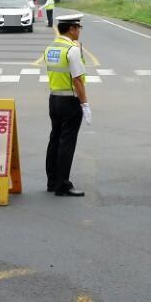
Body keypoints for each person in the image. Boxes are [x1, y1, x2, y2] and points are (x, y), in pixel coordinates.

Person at [44, 13, 91, 196]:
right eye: (78, 28)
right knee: (67, 143)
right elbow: (78, 80)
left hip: (54, 98)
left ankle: (52, 181)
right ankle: (63, 184)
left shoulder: (51, 48)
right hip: (70, 101)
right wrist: (85, 105)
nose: (79, 31)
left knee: (55, 139)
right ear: (71, 29)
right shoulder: (72, 50)